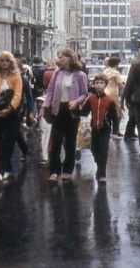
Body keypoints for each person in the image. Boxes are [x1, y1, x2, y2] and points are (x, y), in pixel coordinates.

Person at [40, 48, 88, 183]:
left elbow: (85, 94)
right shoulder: (57, 73)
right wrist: (44, 107)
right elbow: (49, 92)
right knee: (55, 141)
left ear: (69, 58)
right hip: (58, 109)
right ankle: (54, 171)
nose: (58, 59)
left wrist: (76, 101)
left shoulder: (80, 75)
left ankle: (67, 169)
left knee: (70, 141)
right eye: (58, 57)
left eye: (61, 57)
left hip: (72, 111)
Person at [0, 51, 23, 182]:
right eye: (2, 60)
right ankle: (8, 169)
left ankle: (0, 171)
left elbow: (18, 94)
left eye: (7, 60)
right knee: (0, 142)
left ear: (11, 62)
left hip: (12, 114)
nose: (5, 63)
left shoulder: (16, 76)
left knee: (7, 141)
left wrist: (10, 109)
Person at [83, 74, 118, 184]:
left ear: (105, 85)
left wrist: (115, 131)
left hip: (105, 128)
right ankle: (99, 165)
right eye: (97, 83)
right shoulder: (91, 99)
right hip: (94, 128)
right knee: (94, 149)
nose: (98, 85)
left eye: (101, 83)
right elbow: (84, 112)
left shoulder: (109, 100)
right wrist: (73, 110)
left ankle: (102, 174)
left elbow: (114, 117)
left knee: (103, 150)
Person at [103, 57, 125, 140]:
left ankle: (107, 129)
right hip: (113, 93)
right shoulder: (116, 72)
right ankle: (116, 130)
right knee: (118, 112)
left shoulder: (105, 71)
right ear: (116, 64)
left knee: (107, 112)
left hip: (105, 92)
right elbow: (120, 84)